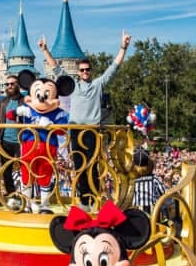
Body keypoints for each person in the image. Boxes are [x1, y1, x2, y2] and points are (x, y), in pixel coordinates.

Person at [40, 30, 132, 208]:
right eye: (82, 70)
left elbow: (114, 68)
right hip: (75, 131)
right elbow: (57, 69)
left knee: (93, 166)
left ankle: (94, 199)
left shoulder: (98, 85)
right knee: (79, 167)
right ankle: (84, 200)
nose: (85, 72)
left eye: (87, 69)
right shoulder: (73, 85)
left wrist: (123, 47)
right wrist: (45, 50)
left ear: (91, 71)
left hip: (92, 131)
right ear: (79, 72)